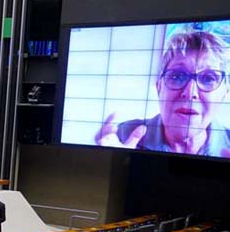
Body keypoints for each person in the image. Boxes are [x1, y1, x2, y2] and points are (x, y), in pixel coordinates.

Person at [95, 30, 230, 158]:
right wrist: (106, 161)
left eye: (208, 78)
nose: (190, 93)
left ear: (224, 93)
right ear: (159, 87)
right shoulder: (122, 135)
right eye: (176, 76)